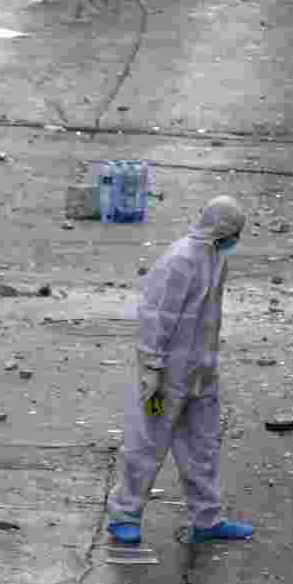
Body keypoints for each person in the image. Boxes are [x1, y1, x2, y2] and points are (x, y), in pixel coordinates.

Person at [106, 196, 254, 544]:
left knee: (202, 447)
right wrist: (151, 365)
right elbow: (156, 315)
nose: (236, 239)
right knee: (147, 443)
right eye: (234, 232)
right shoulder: (181, 260)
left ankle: (207, 518)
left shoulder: (215, 258)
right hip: (168, 373)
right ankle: (124, 513)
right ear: (221, 229)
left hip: (200, 371)